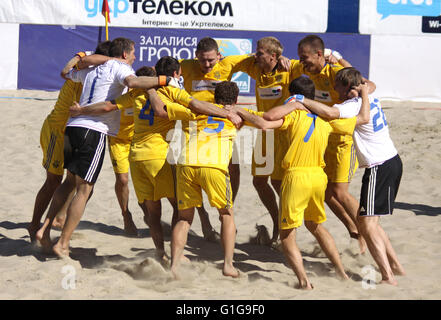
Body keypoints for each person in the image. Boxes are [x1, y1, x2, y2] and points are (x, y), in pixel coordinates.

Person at [68, 57, 241, 262]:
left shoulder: (136, 93)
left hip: (136, 158)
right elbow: (194, 106)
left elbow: (107, 106)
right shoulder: (172, 91)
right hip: (158, 158)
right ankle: (178, 253)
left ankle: (160, 252)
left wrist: (81, 110)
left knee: (153, 211)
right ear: (175, 75)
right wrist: (226, 113)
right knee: (181, 209)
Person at [228, 75, 372, 289]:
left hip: (296, 177)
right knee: (316, 226)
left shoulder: (293, 116)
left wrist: (239, 110)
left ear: (292, 95)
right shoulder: (327, 120)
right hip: (318, 178)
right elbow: (362, 118)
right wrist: (365, 94)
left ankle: (304, 281)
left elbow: (264, 121)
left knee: (287, 235)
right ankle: (342, 273)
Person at [36, 37, 170, 257]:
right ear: (125, 54)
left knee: (69, 181)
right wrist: (163, 80)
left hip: (72, 127)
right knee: (84, 189)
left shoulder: (93, 69)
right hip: (94, 129)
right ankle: (63, 243)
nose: (135, 57)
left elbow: (65, 73)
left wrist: (81, 56)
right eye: (133, 53)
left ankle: (45, 229)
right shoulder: (120, 67)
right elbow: (134, 83)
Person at [297, 67, 405, 285]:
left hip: (379, 166)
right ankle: (395, 267)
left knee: (367, 224)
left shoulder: (351, 106)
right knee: (370, 222)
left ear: (348, 87)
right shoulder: (370, 94)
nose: (333, 88)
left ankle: (388, 276)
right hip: (392, 161)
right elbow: (367, 82)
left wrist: (301, 100)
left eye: (337, 84)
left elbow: (329, 113)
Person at [296, 34, 376, 253]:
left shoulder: (335, 72)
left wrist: (340, 60)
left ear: (319, 54)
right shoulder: (305, 71)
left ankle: (368, 232)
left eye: (305, 58)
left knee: (339, 192)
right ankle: (355, 231)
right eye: (300, 59)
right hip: (322, 139)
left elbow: (369, 85)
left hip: (342, 141)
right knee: (326, 193)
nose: (302, 62)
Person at [28, 41, 112, 242]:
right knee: (53, 182)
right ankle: (34, 225)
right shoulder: (84, 74)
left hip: (74, 131)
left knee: (75, 182)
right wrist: (82, 55)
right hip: (57, 130)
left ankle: (58, 218)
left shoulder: (91, 73)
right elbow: (65, 71)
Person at [169, 81, 243, 279]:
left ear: (214, 98)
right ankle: (228, 265)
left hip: (186, 163)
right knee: (226, 215)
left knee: (184, 218)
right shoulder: (237, 116)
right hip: (213, 165)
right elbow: (264, 121)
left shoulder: (199, 112)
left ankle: (174, 265)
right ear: (235, 100)